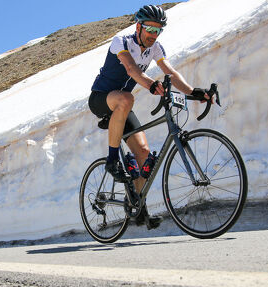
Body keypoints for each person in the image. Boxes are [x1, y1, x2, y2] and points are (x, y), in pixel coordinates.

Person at [88, 5, 212, 229]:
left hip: (122, 106)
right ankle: (112, 160)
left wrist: (193, 92)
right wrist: (151, 85)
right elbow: (131, 69)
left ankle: (138, 208)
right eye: (149, 29)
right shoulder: (122, 42)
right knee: (126, 99)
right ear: (138, 26)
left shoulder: (155, 48)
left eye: (158, 31)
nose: (153, 35)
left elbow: (171, 73)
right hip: (101, 99)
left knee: (144, 153)